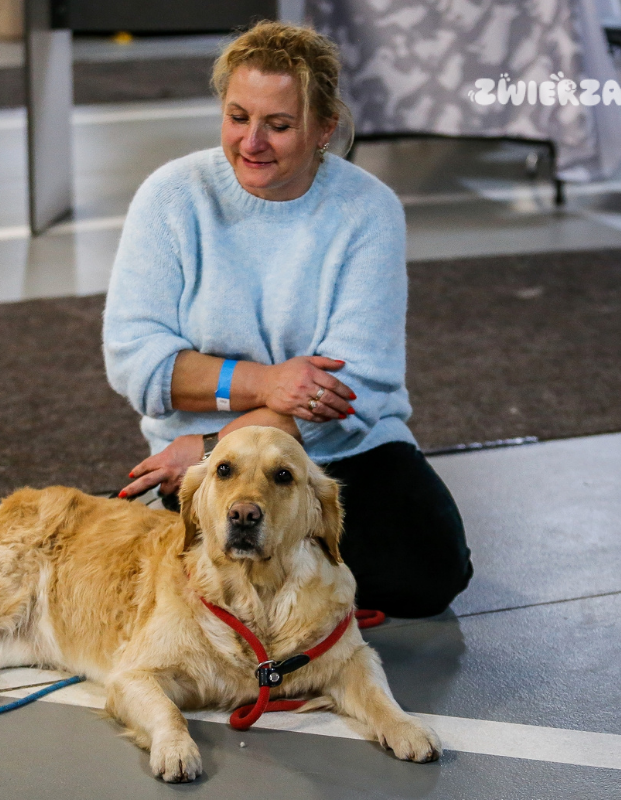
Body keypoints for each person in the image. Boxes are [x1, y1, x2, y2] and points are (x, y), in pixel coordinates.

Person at [102, 21, 472, 618]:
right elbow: (135, 360)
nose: (252, 142)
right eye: (237, 117)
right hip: (207, 467)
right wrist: (267, 384)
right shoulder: (171, 196)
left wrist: (210, 446)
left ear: (325, 128)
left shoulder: (369, 210)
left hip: (336, 449)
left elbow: (353, 388)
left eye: (278, 125)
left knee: (431, 575)